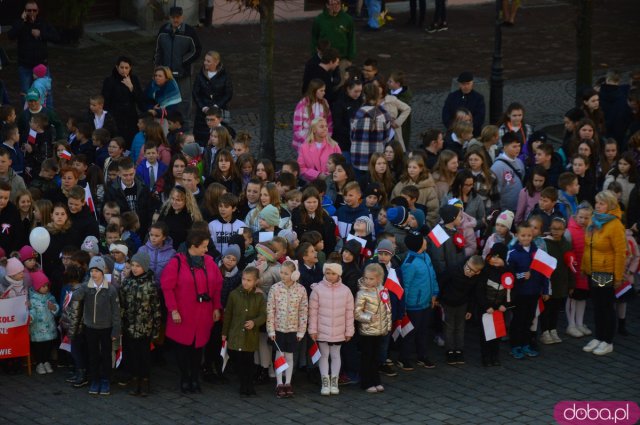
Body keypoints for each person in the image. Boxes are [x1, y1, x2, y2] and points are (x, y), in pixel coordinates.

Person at [161, 230, 223, 393]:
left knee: (198, 348)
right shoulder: (177, 262)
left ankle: (194, 378)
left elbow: (217, 286)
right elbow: (167, 288)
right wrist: (173, 310)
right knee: (182, 349)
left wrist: (216, 307)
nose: (206, 250)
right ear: (193, 246)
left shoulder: (209, 262)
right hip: (183, 313)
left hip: (203, 313)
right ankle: (185, 378)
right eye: (204, 246)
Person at [67, 256, 121, 396]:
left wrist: (116, 330)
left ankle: (105, 380)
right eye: (92, 271)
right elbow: (75, 297)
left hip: (106, 328)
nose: (94, 274)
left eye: (97, 270)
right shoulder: (87, 287)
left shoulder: (111, 289)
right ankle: (95, 379)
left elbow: (116, 312)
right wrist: (82, 287)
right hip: (90, 327)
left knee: (106, 355)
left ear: (103, 271)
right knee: (93, 355)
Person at [581, 191, 626, 356]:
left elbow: (621, 253)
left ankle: (607, 340)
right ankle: (599, 336)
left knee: (606, 306)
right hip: (593, 269)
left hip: (604, 271)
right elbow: (588, 246)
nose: (598, 206)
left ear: (610, 205)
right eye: (597, 203)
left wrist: (618, 276)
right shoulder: (595, 220)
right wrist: (585, 267)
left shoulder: (615, 225)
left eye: (602, 203)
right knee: (597, 306)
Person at [308, 261, 355, 396]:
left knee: (335, 355)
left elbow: (349, 312)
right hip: (322, 330)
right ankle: (325, 381)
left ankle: (334, 380)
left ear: (339, 274)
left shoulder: (346, 291)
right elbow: (313, 312)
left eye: (333, 273)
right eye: (327, 273)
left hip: (339, 330)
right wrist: (313, 329)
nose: (330, 276)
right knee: (323, 355)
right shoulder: (317, 289)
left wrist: (349, 330)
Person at [119, 252, 161, 397]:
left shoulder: (151, 284)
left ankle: (145, 380)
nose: (135, 269)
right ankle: (135, 378)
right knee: (132, 355)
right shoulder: (126, 283)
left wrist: (156, 328)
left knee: (144, 356)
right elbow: (122, 306)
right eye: (133, 266)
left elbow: (156, 308)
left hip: (145, 328)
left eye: (138, 266)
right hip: (129, 327)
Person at [154, 6, 202, 128]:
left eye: (178, 17)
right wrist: (158, 68)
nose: (176, 20)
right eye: (173, 17)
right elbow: (158, 51)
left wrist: (182, 62)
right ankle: (167, 124)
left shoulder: (190, 31)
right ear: (169, 17)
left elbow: (196, 50)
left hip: (183, 73)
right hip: (166, 74)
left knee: (184, 100)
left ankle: (185, 125)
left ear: (182, 17)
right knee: (166, 99)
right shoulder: (163, 30)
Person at [266, 259, 308, 398]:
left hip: (293, 329)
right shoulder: (275, 288)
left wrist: (301, 330)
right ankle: (279, 383)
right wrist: (271, 330)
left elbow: (303, 311)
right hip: (278, 329)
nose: (282, 275)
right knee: (279, 356)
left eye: (286, 273)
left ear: (295, 274)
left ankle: (288, 382)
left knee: (289, 356)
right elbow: (270, 310)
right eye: (282, 272)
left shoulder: (301, 290)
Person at [507, 222, 548, 360]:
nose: (526, 238)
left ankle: (525, 343)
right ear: (517, 236)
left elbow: (544, 273)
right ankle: (515, 345)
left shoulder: (538, 252)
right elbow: (508, 275)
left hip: (534, 293)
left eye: (529, 235)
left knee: (529, 319)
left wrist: (546, 290)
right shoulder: (512, 253)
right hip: (519, 293)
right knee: (518, 320)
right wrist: (521, 276)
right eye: (523, 235)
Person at [222, 267, 266, 396]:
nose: (245, 282)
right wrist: (224, 333)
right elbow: (228, 314)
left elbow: (263, 315)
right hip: (236, 334)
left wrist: (254, 322)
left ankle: (249, 385)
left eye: (249, 280)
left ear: (256, 281)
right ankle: (243, 383)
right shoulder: (234, 295)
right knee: (238, 360)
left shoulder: (259, 296)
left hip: (250, 336)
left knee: (248, 361)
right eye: (243, 279)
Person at [399, 231, 439, 370]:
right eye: (423, 239)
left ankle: (422, 355)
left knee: (423, 331)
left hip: (426, 302)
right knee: (410, 332)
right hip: (413, 305)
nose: (426, 240)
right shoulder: (409, 263)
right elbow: (406, 286)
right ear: (418, 245)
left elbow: (432, 275)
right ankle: (405, 358)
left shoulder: (426, 256)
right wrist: (403, 306)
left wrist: (434, 293)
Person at [7, 0, 60, 106]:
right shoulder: (20, 23)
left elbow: (57, 38)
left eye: (34, 10)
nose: (32, 13)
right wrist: (22, 21)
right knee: (26, 93)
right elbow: (10, 35)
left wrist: (41, 34)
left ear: (37, 11)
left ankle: (49, 117)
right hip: (25, 65)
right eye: (29, 10)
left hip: (41, 66)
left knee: (46, 93)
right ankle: (27, 117)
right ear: (25, 11)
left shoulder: (43, 23)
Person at [354, 263, 391, 393]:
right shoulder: (362, 293)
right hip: (367, 331)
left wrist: (388, 327)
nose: (368, 281)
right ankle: (366, 382)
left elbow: (388, 310)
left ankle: (376, 380)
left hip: (380, 331)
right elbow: (357, 313)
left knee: (376, 357)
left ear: (379, 279)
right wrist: (369, 318)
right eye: (366, 278)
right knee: (367, 357)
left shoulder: (383, 291)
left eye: (371, 279)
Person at [101, 56, 146, 145]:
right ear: (117, 67)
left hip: (131, 117)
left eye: (126, 68)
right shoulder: (109, 81)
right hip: (115, 117)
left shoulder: (134, 79)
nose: (124, 70)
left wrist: (131, 88)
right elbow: (105, 101)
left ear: (130, 68)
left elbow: (140, 100)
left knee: (131, 141)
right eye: (122, 67)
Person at [192, 51, 233, 144]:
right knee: (201, 138)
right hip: (202, 113)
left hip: (219, 111)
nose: (205, 62)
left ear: (216, 62)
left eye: (208, 61)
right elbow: (195, 93)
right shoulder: (200, 76)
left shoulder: (225, 76)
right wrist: (203, 107)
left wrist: (217, 105)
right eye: (205, 60)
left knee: (220, 138)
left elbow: (228, 94)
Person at [350, 83, 391, 174]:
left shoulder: (357, 113)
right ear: (378, 95)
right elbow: (386, 138)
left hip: (358, 158)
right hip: (377, 161)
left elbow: (352, 136)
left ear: (364, 96)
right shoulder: (384, 114)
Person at [28, 271, 59, 375]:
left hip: (49, 327)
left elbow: (56, 308)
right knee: (38, 346)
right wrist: (30, 317)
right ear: (36, 287)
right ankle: (39, 363)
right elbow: (31, 311)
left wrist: (54, 308)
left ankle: (46, 361)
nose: (46, 288)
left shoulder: (50, 297)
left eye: (47, 286)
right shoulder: (32, 299)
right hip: (37, 328)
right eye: (43, 286)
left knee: (48, 345)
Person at [311, 0, 356, 66]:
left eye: (338, 3)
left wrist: (350, 57)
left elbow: (351, 38)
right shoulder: (319, 20)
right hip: (324, 59)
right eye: (332, 4)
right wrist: (314, 55)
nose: (336, 6)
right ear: (327, 5)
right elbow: (314, 39)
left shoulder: (347, 19)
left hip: (342, 59)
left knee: (342, 76)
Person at [292, 79, 333, 152]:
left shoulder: (324, 103)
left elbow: (329, 123)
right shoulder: (303, 104)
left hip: (321, 141)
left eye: (324, 90)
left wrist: (326, 137)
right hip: (305, 141)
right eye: (321, 90)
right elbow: (297, 127)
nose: (324, 93)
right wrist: (309, 140)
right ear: (314, 91)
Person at [442, 72, 486, 137]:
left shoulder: (479, 98)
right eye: (463, 84)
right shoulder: (452, 97)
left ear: (472, 83)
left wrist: (467, 129)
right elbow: (445, 114)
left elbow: (480, 118)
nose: (466, 86)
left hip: (472, 133)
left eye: (468, 84)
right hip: (454, 132)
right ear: (459, 84)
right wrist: (454, 127)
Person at [298, 117, 342, 182]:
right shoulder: (304, 147)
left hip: (331, 182)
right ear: (314, 130)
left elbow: (341, 165)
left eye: (326, 126)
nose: (325, 128)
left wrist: (328, 176)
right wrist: (317, 175)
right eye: (321, 127)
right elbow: (301, 168)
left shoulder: (334, 146)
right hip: (312, 183)